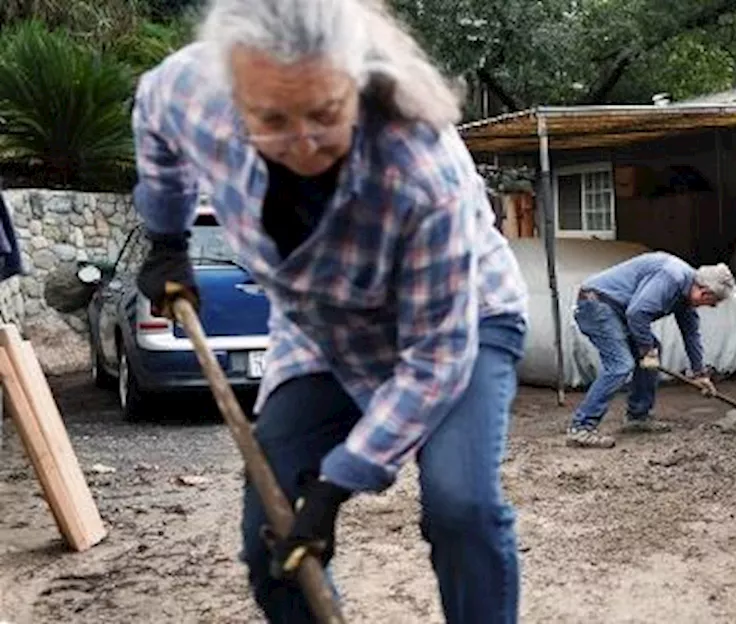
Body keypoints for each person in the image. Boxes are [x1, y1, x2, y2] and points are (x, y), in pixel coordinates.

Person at [129, 0, 529, 621]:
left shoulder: (422, 168)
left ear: (357, 78)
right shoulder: (192, 92)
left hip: (459, 322)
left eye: (325, 112)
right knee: (274, 530)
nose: (303, 144)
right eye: (271, 118)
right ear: (232, 88)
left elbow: (435, 358)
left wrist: (340, 478)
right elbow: (152, 114)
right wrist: (167, 237)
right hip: (320, 328)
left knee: (460, 503)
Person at [566, 252, 736, 449]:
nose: (711, 306)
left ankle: (638, 416)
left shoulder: (685, 293)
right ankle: (581, 427)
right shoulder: (671, 278)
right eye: (712, 302)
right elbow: (637, 313)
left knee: (652, 352)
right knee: (621, 365)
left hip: (616, 310)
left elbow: (691, 334)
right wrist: (646, 350)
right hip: (596, 304)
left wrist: (700, 374)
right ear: (704, 292)